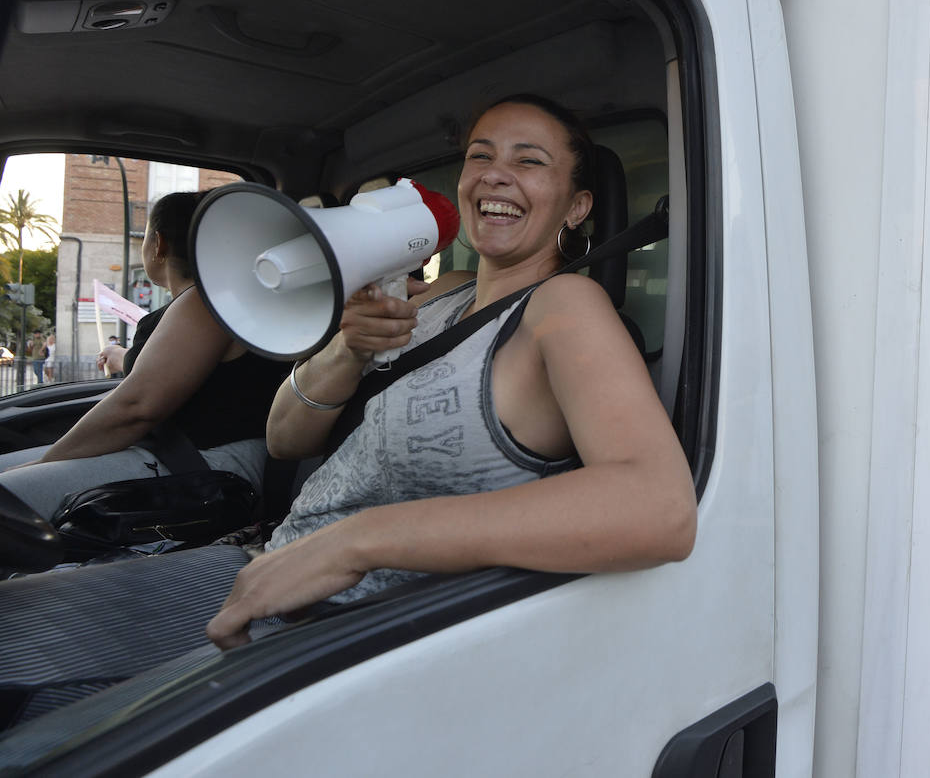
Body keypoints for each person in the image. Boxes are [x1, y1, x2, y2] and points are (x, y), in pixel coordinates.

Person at [0, 95, 695, 722]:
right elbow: (283, 441)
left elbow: (657, 508)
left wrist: (357, 542)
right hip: (274, 566)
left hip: (346, 627)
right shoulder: (440, 296)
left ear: (575, 206)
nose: (494, 173)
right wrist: (344, 354)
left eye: (529, 160)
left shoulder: (563, 307)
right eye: (480, 154)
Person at [0, 192, 291, 520]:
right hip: (193, 457)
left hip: (211, 468)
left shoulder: (206, 302)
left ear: (158, 244)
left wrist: (45, 463)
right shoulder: (220, 301)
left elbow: (136, 407)